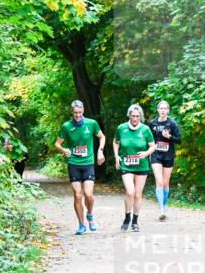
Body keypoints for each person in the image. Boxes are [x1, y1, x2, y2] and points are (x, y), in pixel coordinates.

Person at [55, 100, 105, 235]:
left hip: (88, 163)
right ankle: (81, 224)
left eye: (80, 112)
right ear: (72, 112)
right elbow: (57, 144)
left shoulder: (91, 123)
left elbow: (102, 137)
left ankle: (90, 214)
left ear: (83, 111)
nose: (77, 115)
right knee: (77, 195)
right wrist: (63, 150)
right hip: (73, 163)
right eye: (75, 113)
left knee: (88, 194)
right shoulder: (66, 126)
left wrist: (100, 151)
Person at [113, 103, 155, 232]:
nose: (135, 118)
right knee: (130, 192)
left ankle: (135, 221)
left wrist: (145, 153)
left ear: (140, 116)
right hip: (126, 164)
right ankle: (127, 218)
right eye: (133, 116)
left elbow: (153, 146)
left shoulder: (145, 129)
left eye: (137, 116)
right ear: (129, 115)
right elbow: (115, 142)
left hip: (141, 165)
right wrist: (116, 156)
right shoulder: (121, 128)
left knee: (138, 194)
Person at [148, 100, 181, 220]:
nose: (162, 110)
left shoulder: (172, 124)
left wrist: (169, 137)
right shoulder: (152, 123)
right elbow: (148, 138)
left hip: (168, 155)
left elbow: (179, 140)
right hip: (156, 155)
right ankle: (161, 209)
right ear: (158, 110)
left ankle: (164, 205)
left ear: (168, 110)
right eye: (160, 108)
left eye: (165, 108)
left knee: (166, 183)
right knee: (160, 182)